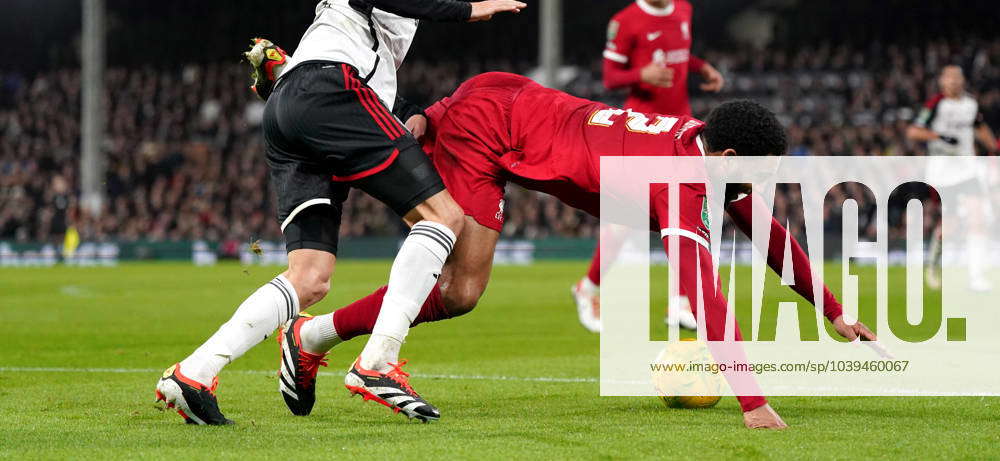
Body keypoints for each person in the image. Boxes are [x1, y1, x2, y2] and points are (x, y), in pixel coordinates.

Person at [279, 71, 873, 430]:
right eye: (762, 171)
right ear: (730, 161)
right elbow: (703, 295)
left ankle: (309, 338)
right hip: (489, 133)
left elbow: (770, 237)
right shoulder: (682, 184)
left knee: (457, 287)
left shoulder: (702, 145)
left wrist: (836, 312)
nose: (763, 184)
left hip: (507, 96)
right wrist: (753, 401)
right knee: (461, 291)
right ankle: (316, 339)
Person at [154, 0, 525, 425]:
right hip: (331, 89)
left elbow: (358, 18)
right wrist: (468, 10)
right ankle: (378, 361)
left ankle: (194, 373)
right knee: (444, 217)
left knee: (310, 278)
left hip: (292, 103)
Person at [575, 0, 726, 332]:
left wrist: (701, 67)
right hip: (642, 129)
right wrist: (642, 75)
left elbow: (681, 55)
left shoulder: (684, 10)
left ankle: (679, 301)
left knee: (688, 211)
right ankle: (588, 286)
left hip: (682, 127)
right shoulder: (625, 21)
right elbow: (610, 77)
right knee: (627, 217)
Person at [907, 64, 997, 291]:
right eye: (950, 78)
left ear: (963, 81)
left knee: (978, 218)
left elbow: (979, 126)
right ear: (942, 82)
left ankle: (976, 277)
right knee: (951, 225)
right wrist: (939, 136)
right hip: (942, 174)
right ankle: (932, 264)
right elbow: (913, 131)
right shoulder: (935, 104)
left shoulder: (970, 104)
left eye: (958, 77)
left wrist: (993, 146)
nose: (955, 82)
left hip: (968, 171)